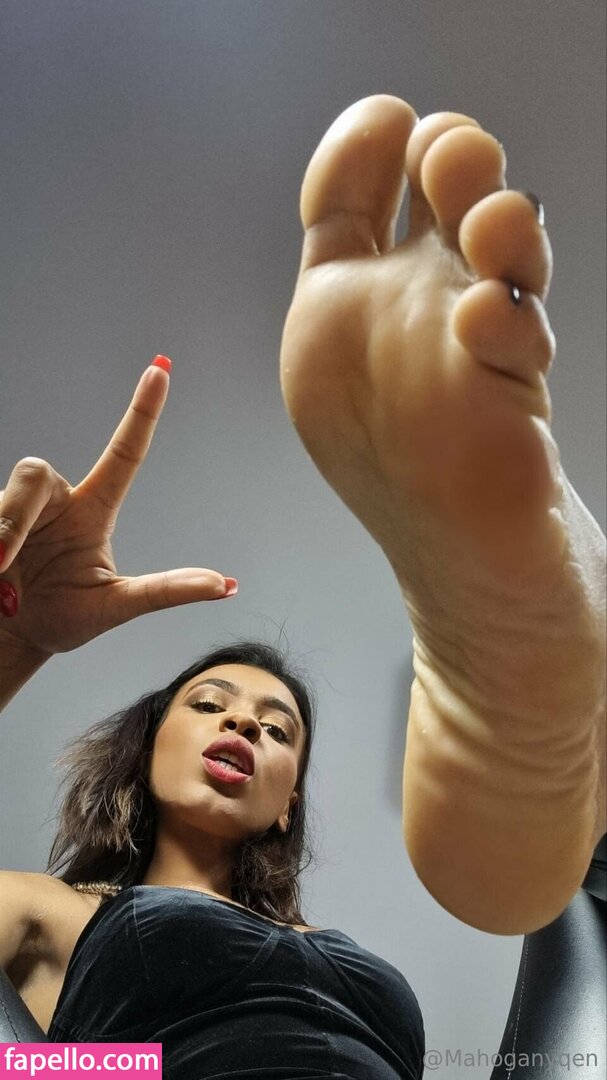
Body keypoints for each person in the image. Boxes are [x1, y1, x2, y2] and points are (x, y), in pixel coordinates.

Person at [0, 95, 605, 1077]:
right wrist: (13, 641)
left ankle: (564, 751)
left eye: (278, 730)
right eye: (210, 705)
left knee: (576, 892)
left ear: (287, 804)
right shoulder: (47, 911)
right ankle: (573, 743)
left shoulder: (342, 955)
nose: (244, 725)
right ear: (143, 753)